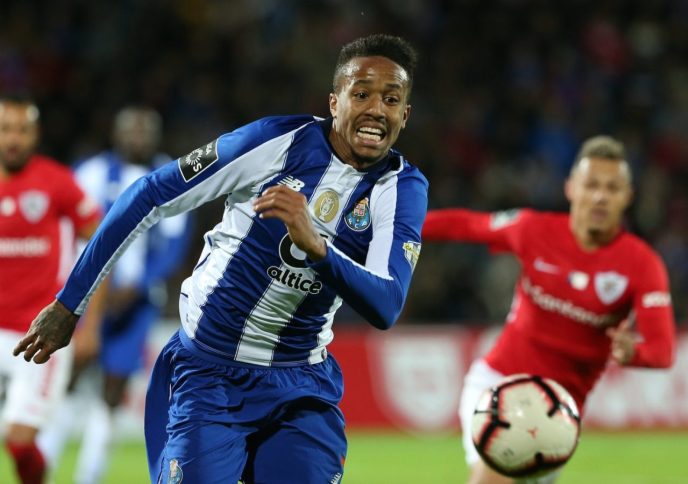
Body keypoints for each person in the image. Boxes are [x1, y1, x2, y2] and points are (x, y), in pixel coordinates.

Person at [15, 33, 428, 483]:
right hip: (209, 373)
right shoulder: (275, 142)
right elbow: (148, 195)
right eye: (361, 94)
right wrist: (69, 304)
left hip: (300, 386)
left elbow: (386, 304)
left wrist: (318, 248)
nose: (376, 110)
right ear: (335, 102)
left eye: (391, 99)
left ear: (404, 115)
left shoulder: (402, 188)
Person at [422, 135, 676, 484]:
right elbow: (465, 225)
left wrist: (634, 353)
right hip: (500, 385)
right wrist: (391, 227)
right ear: (571, 188)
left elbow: (663, 351)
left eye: (612, 188)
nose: (600, 196)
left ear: (627, 196)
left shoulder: (642, 264)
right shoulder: (533, 229)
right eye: (592, 185)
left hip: (558, 413)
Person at [39, 106, 192, 484]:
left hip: (138, 302)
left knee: (113, 389)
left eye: (145, 131)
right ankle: (42, 468)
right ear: (115, 133)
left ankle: (88, 476)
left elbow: (173, 247)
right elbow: (68, 231)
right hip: (88, 298)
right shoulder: (89, 172)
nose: (137, 138)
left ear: (156, 136)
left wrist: (137, 285)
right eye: (131, 131)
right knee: (68, 379)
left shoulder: (173, 175)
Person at [0, 96, 102, 484]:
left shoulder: (57, 182)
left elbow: (101, 249)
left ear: (36, 134)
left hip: (38, 334)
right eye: (6, 129)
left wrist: (89, 325)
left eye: (22, 130)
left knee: (19, 442)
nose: (13, 139)